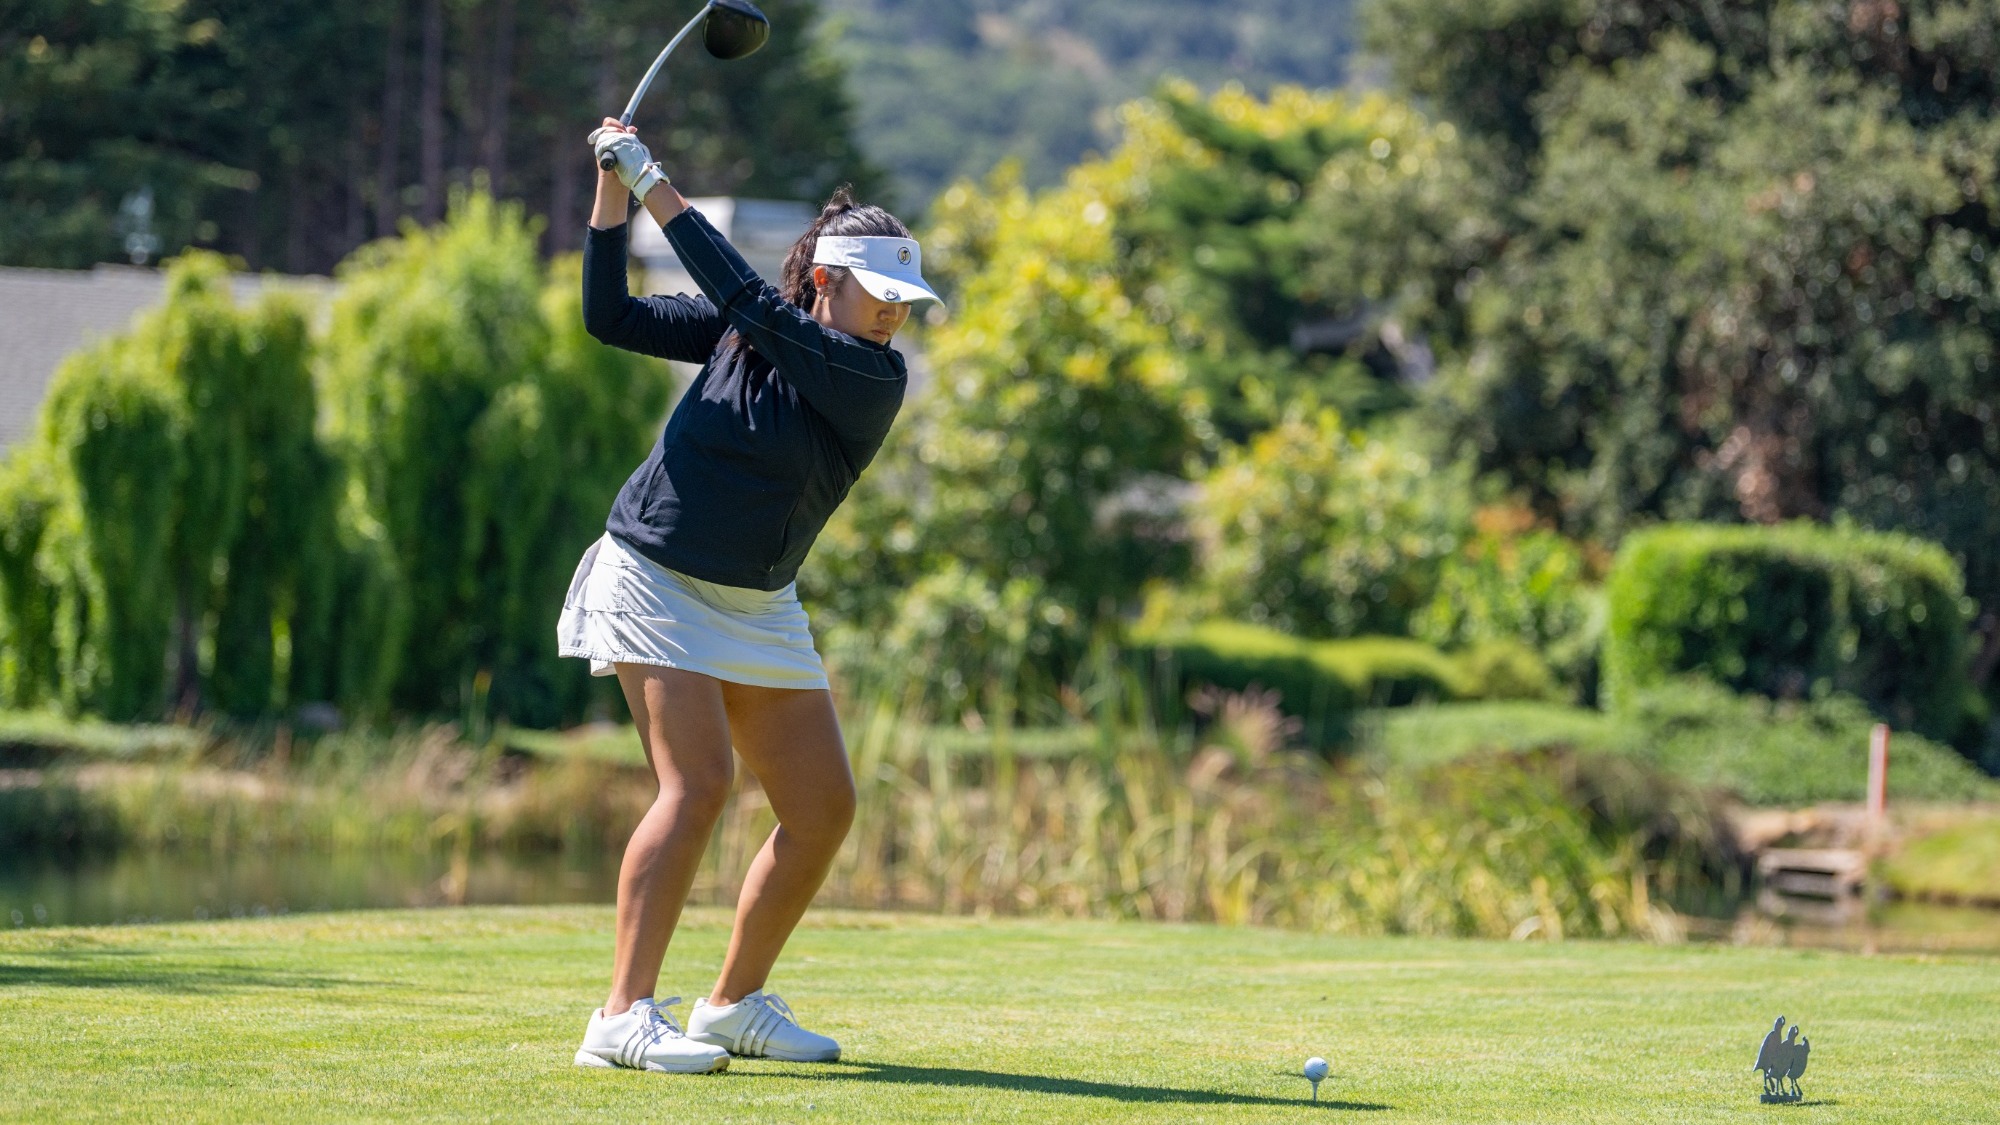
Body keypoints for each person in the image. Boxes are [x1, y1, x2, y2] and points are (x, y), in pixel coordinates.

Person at [561, 119, 942, 1074]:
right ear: (827, 280)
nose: (894, 315)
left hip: (759, 603)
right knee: (697, 785)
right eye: (881, 295)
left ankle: (729, 1004)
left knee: (823, 808)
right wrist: (612, 191)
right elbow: (611, 316)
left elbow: (746, 299)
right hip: (654, 572)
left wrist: (652, 179)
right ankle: (620, 1017)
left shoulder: (871, 376)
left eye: (905, 301)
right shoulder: (748, 328)